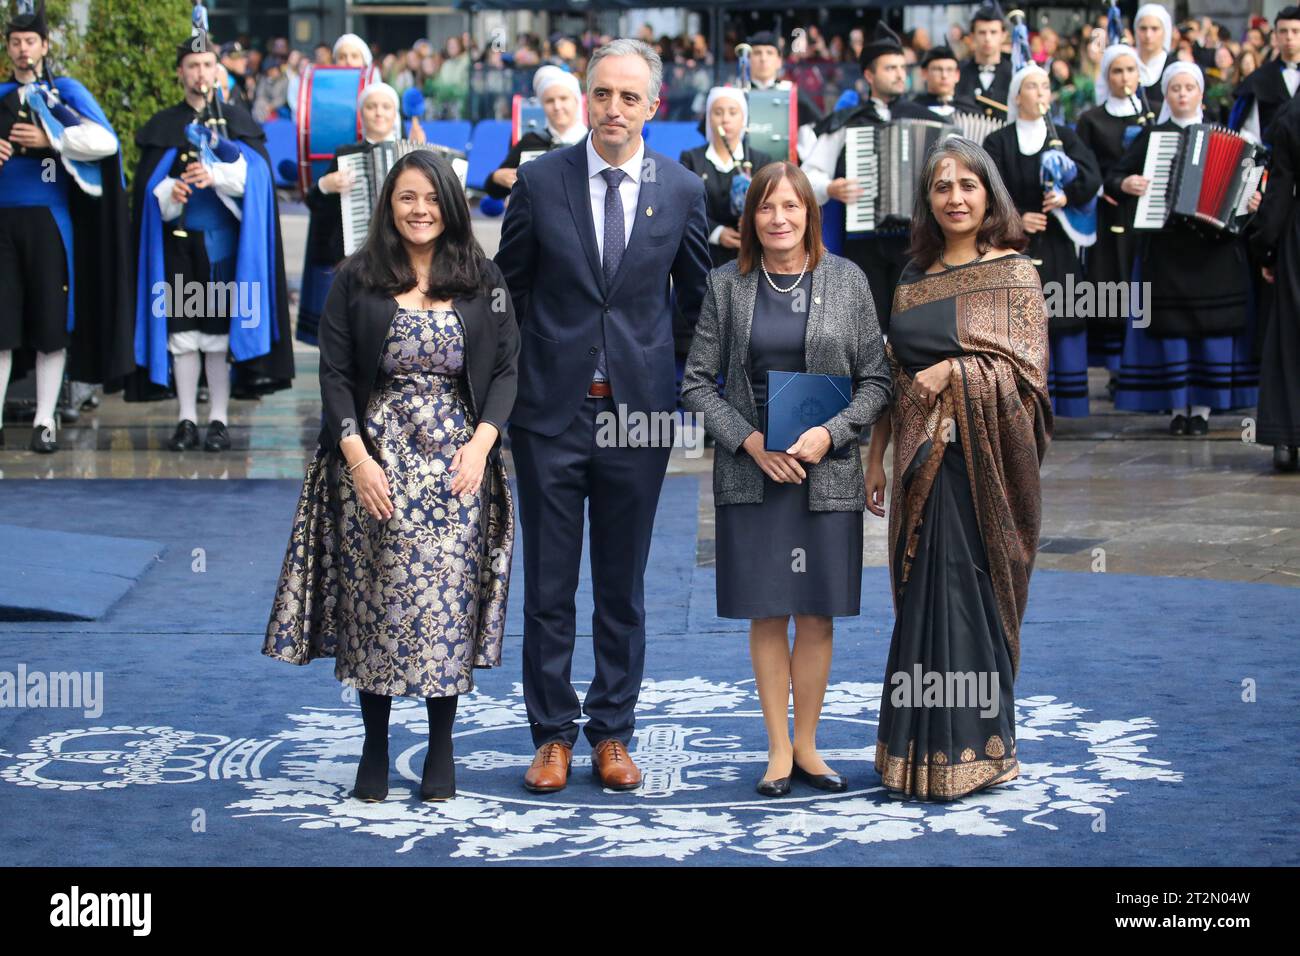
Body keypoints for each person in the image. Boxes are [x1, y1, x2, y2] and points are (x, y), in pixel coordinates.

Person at [262, 150, 520, 801]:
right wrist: (355, 455)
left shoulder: (481, 276)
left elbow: (509, 367)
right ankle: (373, 747)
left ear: (451, 205)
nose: (420, 210)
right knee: (375, 603)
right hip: (373, 466)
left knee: (444, 611)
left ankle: (440, 748)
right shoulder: (356, 277)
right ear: (388, 203)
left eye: (431, 199)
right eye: (407, 197)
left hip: (456, 468)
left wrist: (482, 445)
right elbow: (335, 373)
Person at [495, 38, 710, 794]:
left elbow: (697, 308)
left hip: (639, 421)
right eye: (602, 94)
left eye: (629, 97)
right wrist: (510, 391)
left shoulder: (682, 190)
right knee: (550, 588)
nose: (613, 109)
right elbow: (506, 292)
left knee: (622, 587)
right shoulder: (539, 181)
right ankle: (551, 735)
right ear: (585, 99)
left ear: (653, 106)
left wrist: (676, 388)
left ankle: (612, 732)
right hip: (548, 417)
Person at [681, 162, 890, 796]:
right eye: (767, 208)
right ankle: (776, 750)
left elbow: (878, 381)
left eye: (791, 207)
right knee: (768, 614)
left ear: (809, 215)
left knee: (818, 615)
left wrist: (831, 434)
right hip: (755, 476)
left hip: (824, 474)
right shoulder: (726, 285)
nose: (779, 218)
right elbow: (694, 382)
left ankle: (808, 747)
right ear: (751, 219)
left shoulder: (847, 280)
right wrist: (747, 441)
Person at [864, 136, 1051, 800]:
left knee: (967, 595)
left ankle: (979, 750)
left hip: (986, 469)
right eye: (942, 187)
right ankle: (915, 753)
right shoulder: (911, 280)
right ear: (928, 200)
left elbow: (1029, 384)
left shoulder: (1016, 274)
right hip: (917, 460)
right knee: (923, 598)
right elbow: (889, 373)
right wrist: (874, 457)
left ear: (989, 193)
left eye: (968, 185)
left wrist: (956, 372)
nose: (955, 197)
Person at [129, 28, 294, 447]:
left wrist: (217, 174)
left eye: (206, 65)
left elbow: (257, 183)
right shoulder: (164, 125)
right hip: (178, 247)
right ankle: (186, 419)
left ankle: (218, 420)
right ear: (181, 74)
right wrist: (169, 192)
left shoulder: (238, 123)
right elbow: (148, 192)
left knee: (219, 337)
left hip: (225, 249)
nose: (200, 73)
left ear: (217, 71)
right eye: (192, 66)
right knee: (183, 336)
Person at [0, 0, 133, 453]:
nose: (22, 50)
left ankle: (44, 420)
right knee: (1, 327)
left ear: (44, 45)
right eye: (15, 42)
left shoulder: (65, 92)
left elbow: (104, 141)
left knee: (51, 325)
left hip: (51, 223)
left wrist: (50, 137)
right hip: (3, 222)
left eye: (30, 41)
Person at [1108, 62, 1260, 436]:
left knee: (1214, 327)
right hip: (1168, 246)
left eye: (1189, 88)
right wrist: (1128, 183)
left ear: (1201, 94)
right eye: (1175, 88)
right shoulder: (1152, 136)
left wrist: (1251, 200)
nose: (1182, 94)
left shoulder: (1230, 136)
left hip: (1214, 250)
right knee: (1171, 329)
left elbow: (1249, 184)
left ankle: (1204, 411)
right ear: (1166, 95)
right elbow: (1114, 176)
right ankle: (1178, 407)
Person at [984, 65, 1101, 417]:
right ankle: (1021, 403)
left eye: (1045, 87)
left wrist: (1067, 195)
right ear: (1017, 96)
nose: (1040, 93)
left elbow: (1091, 178)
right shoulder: (999, 141)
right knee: (1016, 322)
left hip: (1057, 242)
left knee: (1062, 315)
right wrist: (1016, 217)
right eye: (1033, 87)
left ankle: (1064, 403)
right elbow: (988, 190)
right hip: (1013, 248)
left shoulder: (1064, 136)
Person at [802, 22, 936, 329]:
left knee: (914, 325)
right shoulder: (849, 121)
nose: (901, 74)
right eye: (891, 68)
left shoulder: (927, 119)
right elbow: (808, 175)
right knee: (868, 326)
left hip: (916, 240)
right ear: (869, 75)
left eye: (903, 67)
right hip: (865, 240)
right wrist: (831, 187)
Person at [297, 82, 402, 345]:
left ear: (395, 114)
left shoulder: (410, 154)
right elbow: (315, 205)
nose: (378, 113)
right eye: (371, 106)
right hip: (357, 255)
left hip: (400, 256)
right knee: (355, 330)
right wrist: (325, 186)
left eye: (385, 107)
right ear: (361, 113)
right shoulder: (346, 154)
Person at [1076, 41, 1146, 379]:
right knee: (1113, 285)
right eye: (1117, 71)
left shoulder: (1151, 114)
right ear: (1107, 76)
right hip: (1110, 211)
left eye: (1130, 69)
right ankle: (1118, 367)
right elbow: (1085, 165)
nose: (1124, 77)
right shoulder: (1092, 119)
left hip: (1146, 211)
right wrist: (1112, 184)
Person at [1250, 95, 1300, 471]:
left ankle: (1286, 437)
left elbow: (1280, 190)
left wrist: (1267, 248)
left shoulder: (1291, 116)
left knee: (1289, 335)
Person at [678, 86, 775, 267]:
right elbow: (683, 207)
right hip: (702, 256)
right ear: (708, 118)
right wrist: (716, 232)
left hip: (750, 258)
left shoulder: (761, 161)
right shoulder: (691, 159)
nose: (725, 119)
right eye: (718, 112)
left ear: (743, 119)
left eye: (733, 112)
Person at [484, 65, 587, 201]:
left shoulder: (593, 141)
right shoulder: (530, 142)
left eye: (563, 98)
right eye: (549, 101)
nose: (557, 106)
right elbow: (494, 190)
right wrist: (496, 177)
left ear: (576, 100)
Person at [743, 31, 823, 162]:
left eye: (769, 53)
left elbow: (808, 146)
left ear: (779, 61)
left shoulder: (793, 94)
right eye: (757, 53)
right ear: (749, 60)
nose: (763, 58)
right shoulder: (736, 93)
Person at [1233, 6, 1300, 146]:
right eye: (1283, 31)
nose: (1289, 37)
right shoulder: (1258, 79)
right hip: (1271, 162)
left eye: (1295, 31)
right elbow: (1248, 133)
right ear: (1275, 35)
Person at [956, 3, 1013, 118]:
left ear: (1003, 35)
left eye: (993, 32)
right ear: (972, 36)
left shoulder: (1014, 73)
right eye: (982, 32)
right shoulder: (958, 73)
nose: (987, 38)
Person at [911, 45, 981, 118]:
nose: (944, 75)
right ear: (924, 73)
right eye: (937, 69)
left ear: (957, 75)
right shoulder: (914, 109)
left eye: (949, 70)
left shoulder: (971, 110)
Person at [1134, 3, 1173, 119]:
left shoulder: (1174, 66)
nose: (1148, 35)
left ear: (1165, 31)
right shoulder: (1126, 63)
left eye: (1154, 29)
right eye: (1143, 28)